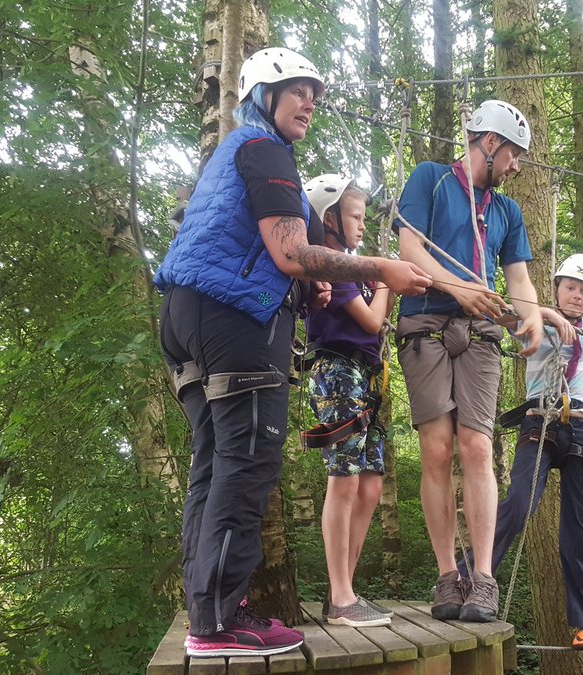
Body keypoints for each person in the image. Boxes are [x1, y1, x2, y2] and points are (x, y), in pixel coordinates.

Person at [153, 48, 431, 658]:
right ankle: (221, 620)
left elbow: (266, 254)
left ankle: (209, 610)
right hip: (233, 323)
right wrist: (379, 266)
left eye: (315, 92)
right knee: (247, 460)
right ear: (262, 95)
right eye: (296, 89)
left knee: (215, 462)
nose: (310, 101)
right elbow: (288, 251)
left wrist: (307, 284)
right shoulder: (266, 150)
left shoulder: (231, 156)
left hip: (186, 317)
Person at [394, 99, 545, 622]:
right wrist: (459, 288)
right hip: (425, 325)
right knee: (436, 449)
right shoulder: (431, 179)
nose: (517, 167)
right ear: (490, 142)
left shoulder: (506, 210)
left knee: (477, 445)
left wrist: (533, 318)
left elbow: (520, 279)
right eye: (514, 155)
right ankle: (446, 576)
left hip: (481, 331)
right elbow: (409, 247)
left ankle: (482, 578)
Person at [462, 253, 583, 649]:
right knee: (518, 502)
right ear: (557, 288)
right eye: (570, 288)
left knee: (579, 529)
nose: (577, 297)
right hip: (540, 422)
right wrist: (543, 312)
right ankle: (470, 582)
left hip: (582, 429)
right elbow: (498, 314)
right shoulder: (536, 319)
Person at [300, 174, 393, 627]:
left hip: (365, 378)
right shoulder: (334, 267)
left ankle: (346, 590)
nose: (361, 225)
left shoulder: (353, 268)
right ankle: (340, 595)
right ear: (330, 219)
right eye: (354, 216)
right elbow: (373, 322)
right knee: (345, 479)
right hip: (337, 370)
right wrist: (388, 280)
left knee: (370, 483)